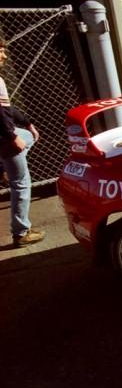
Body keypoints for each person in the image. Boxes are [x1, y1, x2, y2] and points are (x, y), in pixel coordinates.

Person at [0, 39, 44, 247]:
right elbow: (1, 113)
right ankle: (21, 232)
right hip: (5, 139)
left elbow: (8, 110)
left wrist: (27, 123)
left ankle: (4, 167)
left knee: (29, 137)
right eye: (0, 51)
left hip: (5, 138)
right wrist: (11, 136)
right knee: (21, 184)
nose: (5, 56)